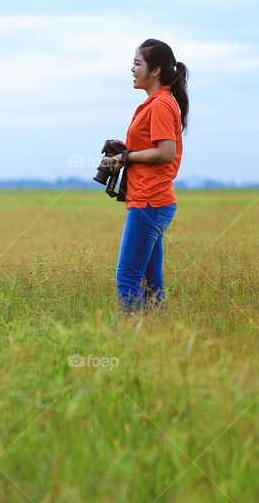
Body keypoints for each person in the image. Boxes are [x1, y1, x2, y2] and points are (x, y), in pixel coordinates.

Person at [108, 39, 189, 314]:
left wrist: (128, 157)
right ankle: (156, 342)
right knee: (151, 285)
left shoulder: (160, 105)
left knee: (127, 279)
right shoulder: (156, 103)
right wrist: (126, 154)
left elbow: (166, 152)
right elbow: (155, 150)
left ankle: (123, 341)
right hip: (151, 200)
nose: (132, 69)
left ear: (154, 70)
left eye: (137, 63)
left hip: (149, 202)